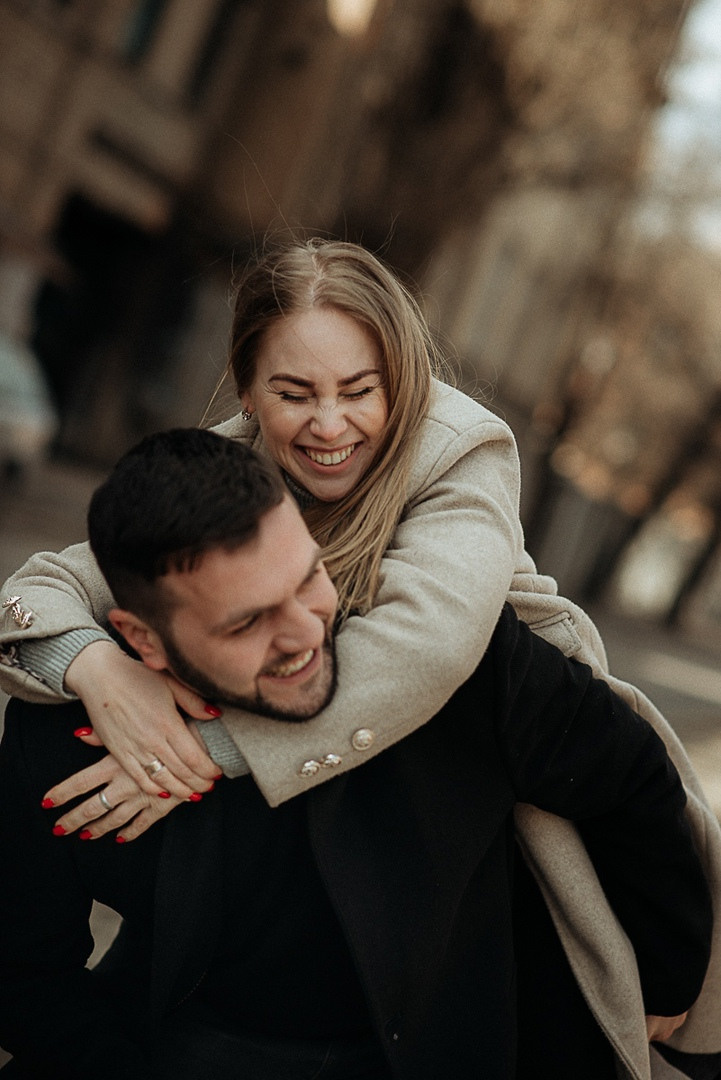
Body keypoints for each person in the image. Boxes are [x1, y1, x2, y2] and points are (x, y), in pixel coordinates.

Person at [2, 240, 721, 1073]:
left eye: (358, 390)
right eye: (294, 392)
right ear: (247, 399)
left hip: (475, 899)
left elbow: (437, 654)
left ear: (401, 387)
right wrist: (97, 668)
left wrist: (205, 748)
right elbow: (41, 588)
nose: (330, 423)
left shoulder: (457, 475)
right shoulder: (219, 498)